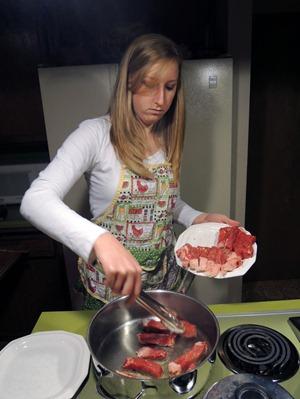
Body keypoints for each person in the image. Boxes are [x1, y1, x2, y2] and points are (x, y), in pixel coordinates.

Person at [20, 33, 239, 309]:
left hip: (164, 281)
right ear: (129, 82)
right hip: (112, 290)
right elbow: (35, 200)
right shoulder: (96, 134)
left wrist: (198, 217)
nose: (160, 100)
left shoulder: (167, 137)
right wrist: (98, 240)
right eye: (149, 85)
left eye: (170, 87)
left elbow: (165, 205)